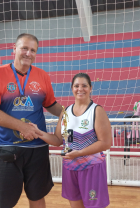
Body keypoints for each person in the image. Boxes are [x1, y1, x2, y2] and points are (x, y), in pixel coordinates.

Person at [0, 33, 63, 207]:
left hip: (37, 147)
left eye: (33, 50)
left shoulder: (42, 75)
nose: (28, 53)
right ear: (14, 49)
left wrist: (72, 112)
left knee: (37, 197)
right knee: (3, 203)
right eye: (24, 48)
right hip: (7, 148)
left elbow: (51, 105)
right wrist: (22, 127)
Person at [31, 73, 112, 208]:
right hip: (70, 167)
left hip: (91, 167)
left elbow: (105, 143)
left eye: (84, 85)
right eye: (76, 86)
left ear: (90, 88)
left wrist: (79, 153)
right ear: (72, 88)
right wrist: (38, 133)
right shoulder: (65, 112)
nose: (80, 89)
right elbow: (57, 140)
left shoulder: (96, 111)